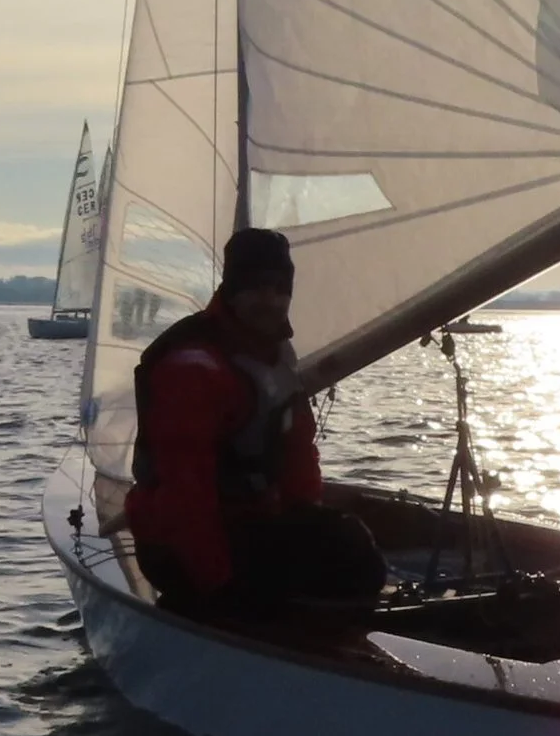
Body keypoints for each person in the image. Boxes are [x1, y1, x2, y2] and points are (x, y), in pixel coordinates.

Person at [126, 228, 386, 626]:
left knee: (352, 550)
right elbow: (186, 494)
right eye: (256, 287)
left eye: (280, 289)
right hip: (177, 546)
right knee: (281, 587)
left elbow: (298, 451)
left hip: (249, 525)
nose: (271, 300)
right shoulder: (192, 367)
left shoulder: (275, 355)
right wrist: (221, 586)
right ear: (231, 290)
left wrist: (309, 524)